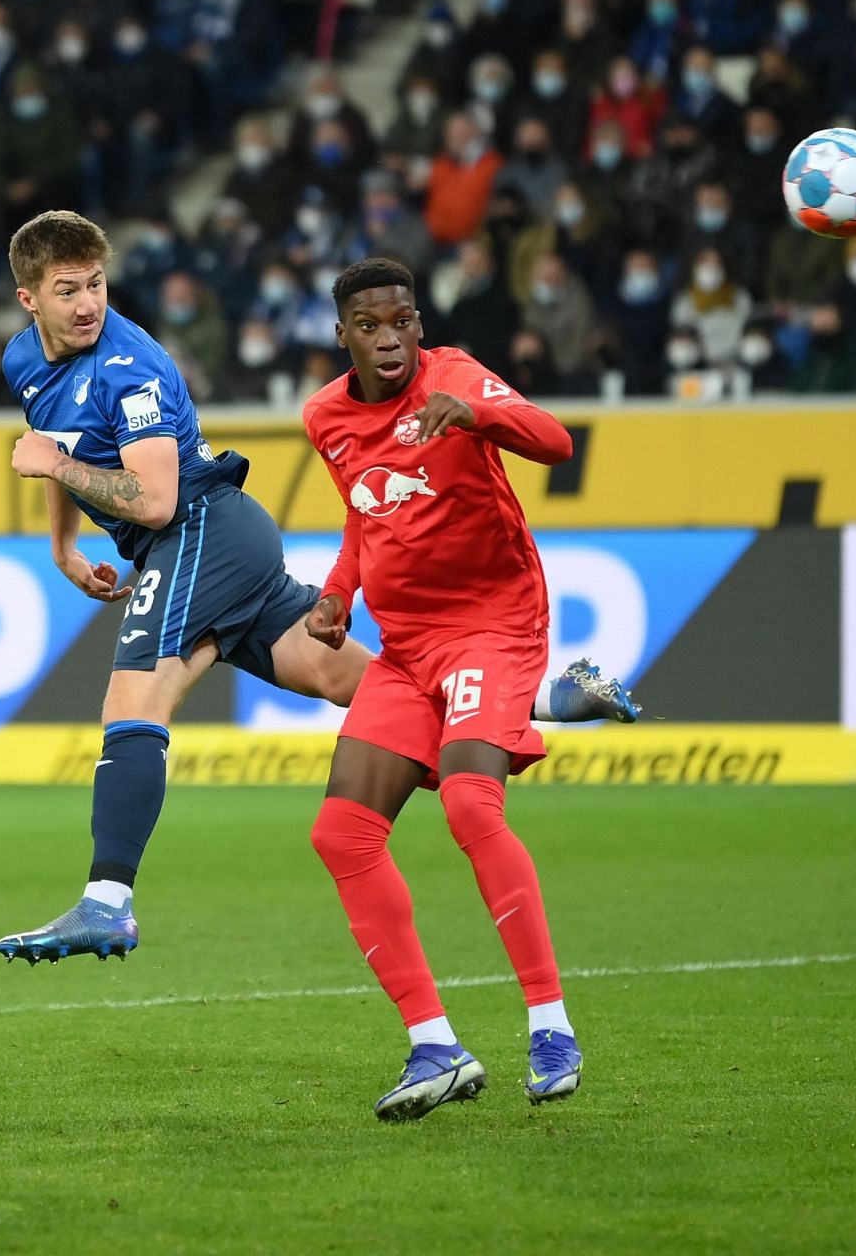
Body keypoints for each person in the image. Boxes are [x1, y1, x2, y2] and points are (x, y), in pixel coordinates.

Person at [0, 212, 635, 965]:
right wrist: (63, 542)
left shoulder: (128, 367)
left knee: (134, 700)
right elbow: (53, 439)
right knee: (349, 680)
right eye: (67, 290)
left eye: (96, 285)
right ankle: (544, 699)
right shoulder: (22, 359)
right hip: (214, 545)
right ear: (28, 301)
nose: (87, 304)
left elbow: (152, 498)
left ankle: (107, 903)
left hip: (197, 530)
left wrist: (58, 471)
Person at [300, 258, 583, 1121]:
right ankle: (434, 1044)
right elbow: (365, 506)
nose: (391, 339)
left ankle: (550, 1024)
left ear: (418, 323)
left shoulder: (455, 376)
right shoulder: (325, 416)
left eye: (403, 322)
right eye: (371, 326)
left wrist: (481, 412)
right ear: (343, 335)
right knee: (341, 833)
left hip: (494, 621)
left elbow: (557, 442)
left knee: (469, 805)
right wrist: (339, 591)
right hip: (406, 644)